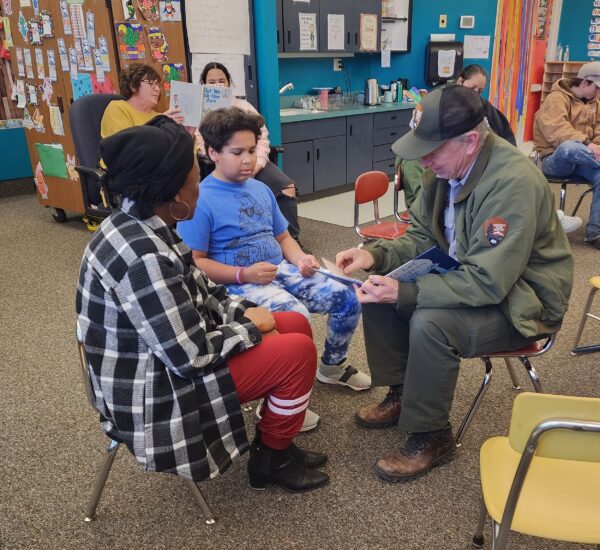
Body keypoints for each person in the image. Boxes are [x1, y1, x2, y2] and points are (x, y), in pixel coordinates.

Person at [76, 116, 329, 493]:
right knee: (297, 351)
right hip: (156, 389)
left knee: (294, 324)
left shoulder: (146, 220)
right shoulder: (142, 256)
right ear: (173, 192)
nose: (202, 183)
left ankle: (278, 440)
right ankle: (269, 461)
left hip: (166, 354)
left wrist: (241, 313)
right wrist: (249, 325)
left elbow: (201, 293)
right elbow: (188, 355)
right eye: (197, 176)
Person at [336, 85, 573, 483]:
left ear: (469, 140)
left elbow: (488, 281)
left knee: (430, 322)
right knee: (378, 294)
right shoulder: (445, 172)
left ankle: (432, 435)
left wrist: (408, 292)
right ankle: (403, 393)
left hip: (521, 299)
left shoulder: (512, 181)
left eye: (433, 149)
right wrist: (373, 255)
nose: (424, 160)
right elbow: (421, 237)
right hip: (470, 278)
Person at [177, 107, 370, 404]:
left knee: (347, 295)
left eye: (252, 150)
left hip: (279, 269)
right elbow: (197, 263)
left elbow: (282, 237)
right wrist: (244, 274)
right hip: (237, 285)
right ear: (213, 153)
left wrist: (300, 259)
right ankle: (285, 392)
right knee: (296, 318)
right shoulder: (201, 199)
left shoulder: (260, 189)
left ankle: (332, 365)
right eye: (237, 152)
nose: (247, 160)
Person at [197, 62, 303, 244]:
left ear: (229, 83)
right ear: (204, 85)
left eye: (222, 81)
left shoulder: (243, 106)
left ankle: (292, 240)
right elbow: (200, 144)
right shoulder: (201, 111)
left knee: (287, 188)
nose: (217, 85)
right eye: (212, 82)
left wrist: (257, 164)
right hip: (220, 167)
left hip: (256, 163)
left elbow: (262, 138)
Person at [534, 60, 600, 247]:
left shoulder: (596, 103)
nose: (598, 93)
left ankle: (596, 233)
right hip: (555, 160)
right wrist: (588, 144)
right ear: (585, 82)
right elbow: (556, 130)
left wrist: (596, 145)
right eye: (597, 88)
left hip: (584, 162)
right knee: (569, 147)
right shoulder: (556, 98)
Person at [100, 63, 183, 138]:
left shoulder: (159, 116)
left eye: (157, 84)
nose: (157, 89)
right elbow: (125, 145)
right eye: (151, 83)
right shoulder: (117, 108)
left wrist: (188, 133)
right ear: (133, 85)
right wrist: (158, 123)